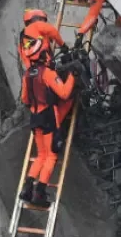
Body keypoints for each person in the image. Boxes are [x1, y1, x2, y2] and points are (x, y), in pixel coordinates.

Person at [17, 35, 79, 208]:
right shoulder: (47, 73)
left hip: (35, 118)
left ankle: (27, 189)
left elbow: (25, 99)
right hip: (49, 118)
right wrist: (73, 76)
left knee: (41, 155)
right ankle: (40, 192)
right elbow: (65, 93)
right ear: (43, 55)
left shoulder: (27, 75)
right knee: (51, 155)